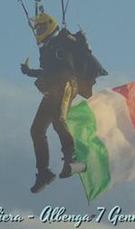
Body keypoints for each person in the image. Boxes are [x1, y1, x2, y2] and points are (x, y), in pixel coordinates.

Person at [21, 12, 106, 194]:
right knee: (36, 129)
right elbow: (49, 70)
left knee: (58, 120)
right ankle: (43, 172)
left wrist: (73, 39)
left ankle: (72, 158)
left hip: (67, 83)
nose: (39, 32)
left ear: (51, 26)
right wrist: (30, 72)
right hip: (53, 87)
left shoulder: (62, 42)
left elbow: (66, 65)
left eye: (42, 28)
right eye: (38, 29)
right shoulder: (47, 48)